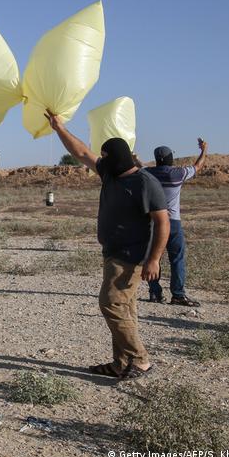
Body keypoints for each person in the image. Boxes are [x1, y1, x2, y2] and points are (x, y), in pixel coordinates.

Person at [47, 112, 169, 379]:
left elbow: (163, 222)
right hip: (113, 253)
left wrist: (154, 259)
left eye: (105, 157)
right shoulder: (111, 173)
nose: (100, 161)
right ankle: (120, 363)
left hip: (131, 256)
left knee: (111, 304)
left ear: (118, 158)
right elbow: (81, 152)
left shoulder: (144, 182)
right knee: (124, 308)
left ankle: (139, 360)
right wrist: (60, 128)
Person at [145, 139, 207, 306]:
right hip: (172, 222)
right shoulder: (177, 174)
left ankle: (155, 292)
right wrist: (203, 150)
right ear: (171, 158)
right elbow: (198, 166)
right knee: (177, 258)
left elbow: (138, 169)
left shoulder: (148, 174)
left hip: (153, 222)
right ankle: (178, 294)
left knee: (153, 257)